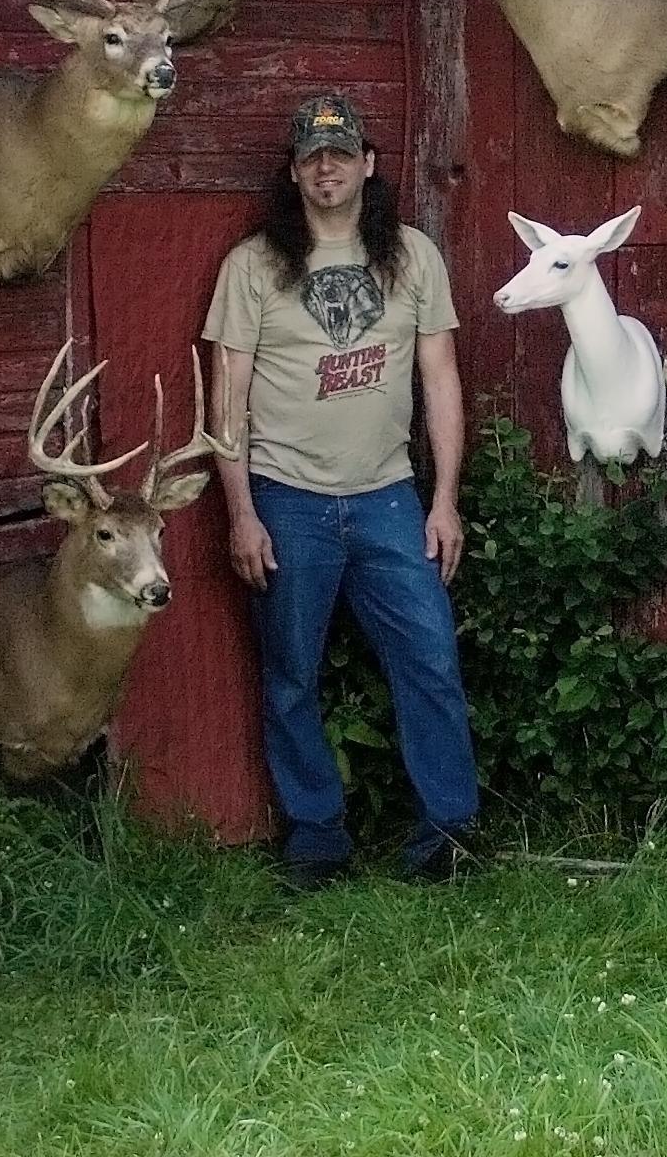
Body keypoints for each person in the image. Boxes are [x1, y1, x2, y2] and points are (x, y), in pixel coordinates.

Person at [205, 91, 479, 887]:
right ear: (295, 173)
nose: (327, 168)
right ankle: (317, 837)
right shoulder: (254, 266)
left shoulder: (413, 257)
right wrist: (242, 513)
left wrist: (446, 498)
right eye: (311, 157)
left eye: (341, 153)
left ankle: (446, 833)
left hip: (389, 498)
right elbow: (227, 397)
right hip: (286, 499)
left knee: (429, 658)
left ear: (368, 165)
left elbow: (441, 376)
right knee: (292, 673)